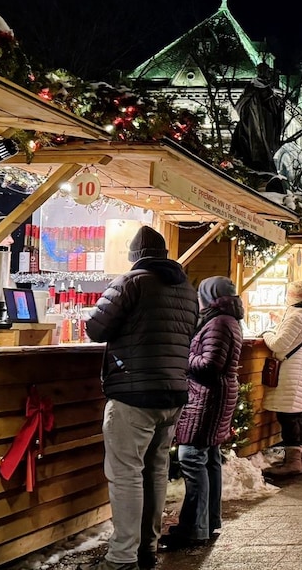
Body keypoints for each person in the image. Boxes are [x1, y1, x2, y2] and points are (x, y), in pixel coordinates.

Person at [85, 225, 198, 570]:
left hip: (133, 393)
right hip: (173, 393)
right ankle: (147, 547)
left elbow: (95, 329)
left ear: (134, 257)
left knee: (127, 474)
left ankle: (121, 557)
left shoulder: (130, 282)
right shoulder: (188, 290)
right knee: (155, 470)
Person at [161, 276, 243, 551]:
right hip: (214, 396)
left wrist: (182, 356)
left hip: (206, 397)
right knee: (209, 458)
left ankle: (195, 528)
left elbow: (210, 364)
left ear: (209, 296)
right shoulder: (227, 319)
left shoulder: (218, 322)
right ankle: (208, 522)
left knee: (192, 456)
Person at [262, 281, 302, 477]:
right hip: (301, 367)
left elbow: (279, 344)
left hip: (292, 370)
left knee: (289, 416)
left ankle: (293, 462)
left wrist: (268, 333)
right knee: (294, 415)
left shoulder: (296, 316)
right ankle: (297, 460)